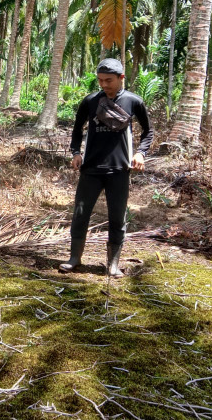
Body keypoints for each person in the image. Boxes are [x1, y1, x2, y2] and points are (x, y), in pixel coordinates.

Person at [61, 58, 154, 278]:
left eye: (109, 80)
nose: (104, 85)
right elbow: (77, 130)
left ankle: (112, 264)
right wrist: (76, 152)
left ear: (121, 78)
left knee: (117, 217)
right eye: (100, 80)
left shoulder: (134, 101)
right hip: (91, 169)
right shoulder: (91, 101)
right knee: (80, 214)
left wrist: (141, 152)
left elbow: (148, 132)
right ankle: (75, 258)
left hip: (119, 171)